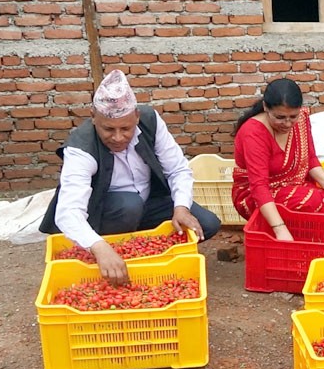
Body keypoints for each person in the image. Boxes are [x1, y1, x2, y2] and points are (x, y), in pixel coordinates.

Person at [40, 69, 221, 285]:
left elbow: (178, 169)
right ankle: (112, 254)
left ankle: (139, 252)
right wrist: (98, 246)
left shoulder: (150, 121)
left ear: (136, 116)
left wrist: (181, 207)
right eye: (108, 129)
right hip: (105, 211)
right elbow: (68, 211)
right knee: (129, 204)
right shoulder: (81, 147)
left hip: (149, 203)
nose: (118, 137)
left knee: (206, 224)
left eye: (126, 128)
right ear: (93, 118)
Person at [231, 78, 324, 242]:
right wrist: (280, 229)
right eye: (280, 117)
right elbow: (259, 186)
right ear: (266, 108)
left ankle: (317, 250)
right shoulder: (253, 133)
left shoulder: (302, 118)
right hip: (255, 195)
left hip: (293, 186)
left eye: (292, 116)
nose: (288, 124)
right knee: (314, 201)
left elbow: (309, 158)